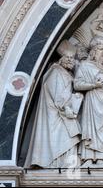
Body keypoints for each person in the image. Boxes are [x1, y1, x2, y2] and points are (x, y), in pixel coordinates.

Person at [26, 40, 83, 168]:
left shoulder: (64, 73)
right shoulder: (56, 72)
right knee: (64, 141)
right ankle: (57, 164)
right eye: (67, 58)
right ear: (61, 59)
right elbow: (60, 101)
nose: (71, 61)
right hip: (58, 118)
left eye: (72, 58)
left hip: (62, 115)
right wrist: (77, 98)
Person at [74, 36, 103, 165]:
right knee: (92, 129)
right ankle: (90, 158)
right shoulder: (85, 65)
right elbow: (77, 84)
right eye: (101, 49)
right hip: (94, 100)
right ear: (93, 50)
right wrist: (94, 85)